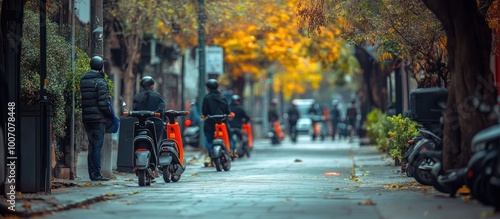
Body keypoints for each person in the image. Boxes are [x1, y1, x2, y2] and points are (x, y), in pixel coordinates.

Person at [80, 56, 112, 181]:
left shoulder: (84, 80)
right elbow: (103, 103)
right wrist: (109, 114)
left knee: (92, 146)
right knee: (97, 146)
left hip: (87, 118)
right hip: (98, 118)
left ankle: (92, 173)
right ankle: (97, 174)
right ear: (100, 67)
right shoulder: (100, 82)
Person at [201, 79, 233, 160]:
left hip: (210, 123)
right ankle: (231, 151)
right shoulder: (223, 97)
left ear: (208, 88)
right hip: (222, 122)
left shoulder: (207, 97)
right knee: (228, 136)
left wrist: (205, 115)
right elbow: (227, 111)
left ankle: (211, 155)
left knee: (209, 138)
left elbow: (204, 112)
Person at [133, 76, 166, 143]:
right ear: (152, 86)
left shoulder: (137, 97)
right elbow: (161, 111)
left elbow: (134, 110)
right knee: (156, 142)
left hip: (140, 124)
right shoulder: (157, 96)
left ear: (142, 86)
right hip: (156, 124)